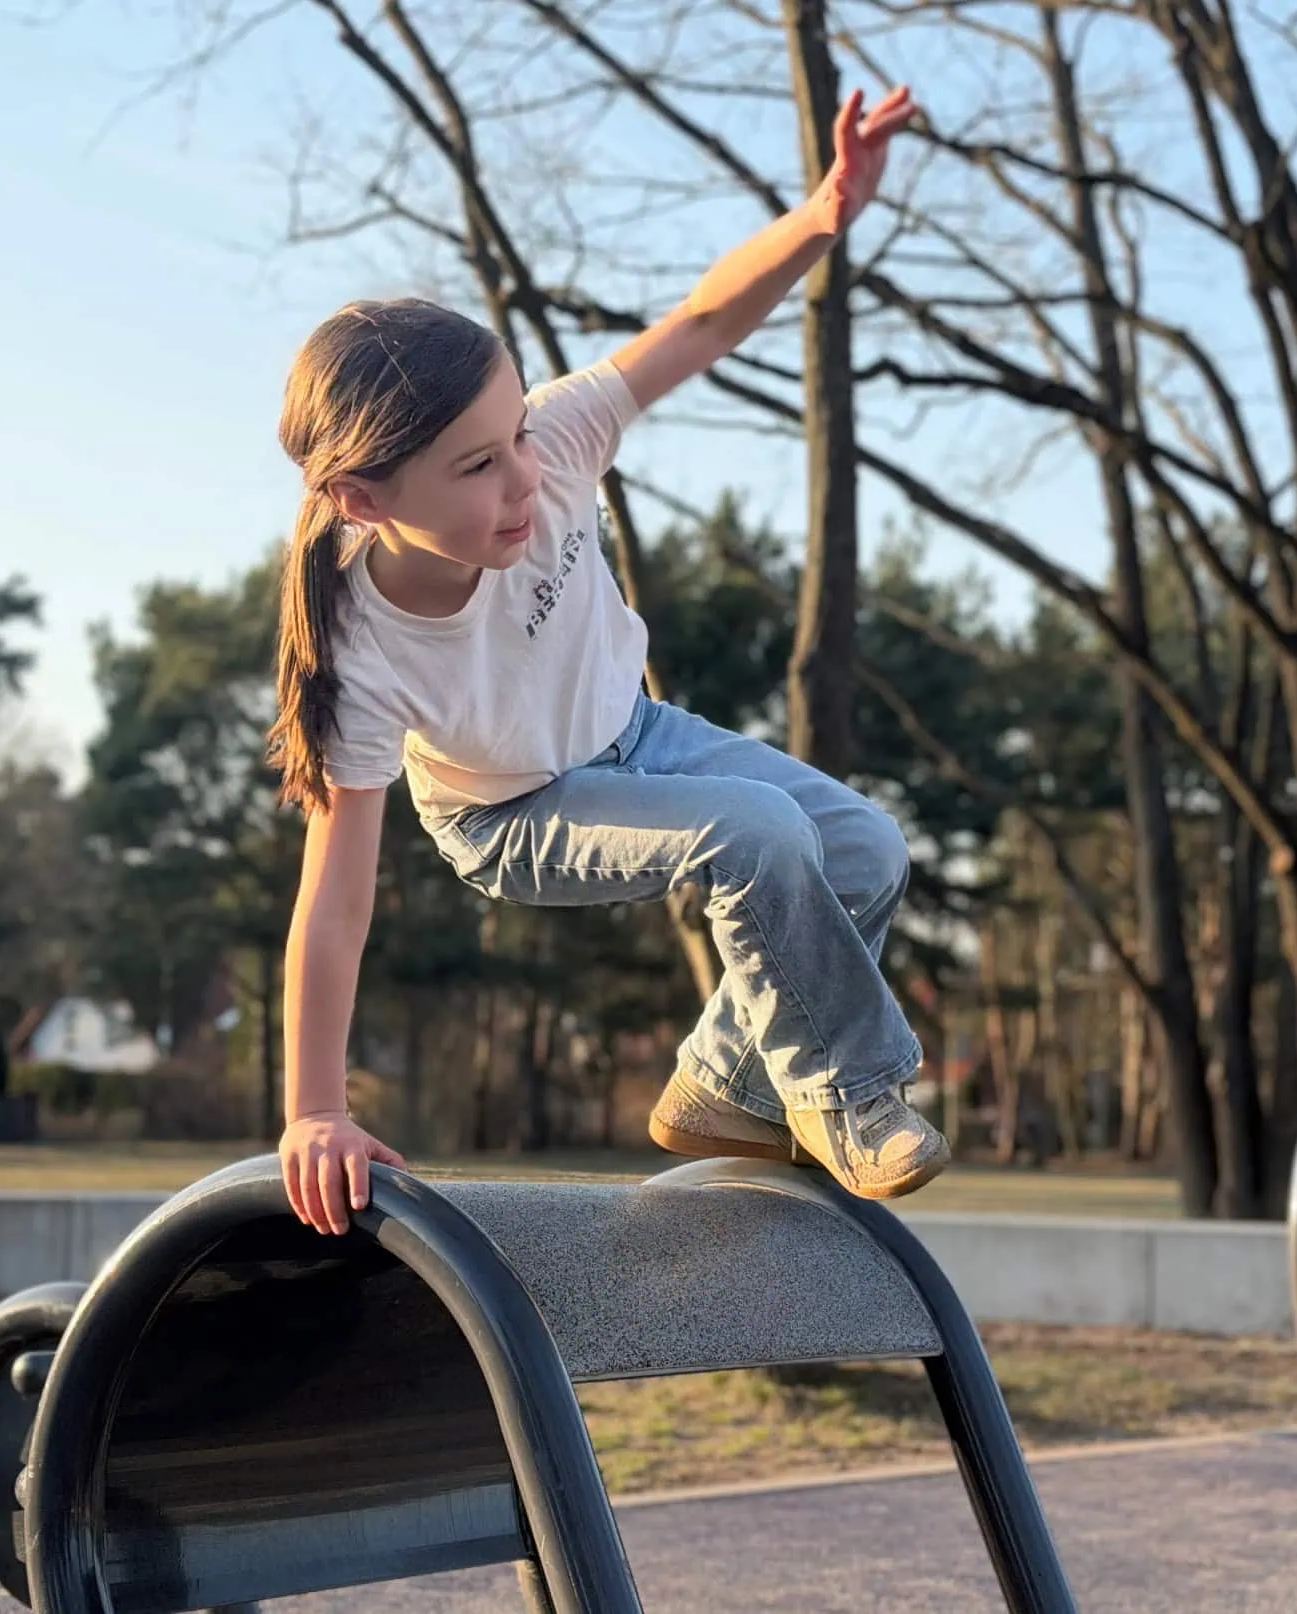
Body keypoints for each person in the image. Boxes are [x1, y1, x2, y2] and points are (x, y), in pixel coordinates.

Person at [271, 87, 947, 1236]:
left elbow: (700, 324)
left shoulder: (559, 436)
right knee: (758, 835)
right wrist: (312, 1110)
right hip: (512, 814)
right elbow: (335, 902)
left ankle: (727, 1089)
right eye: (478, 468)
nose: (525, 479)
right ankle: (847, 1094)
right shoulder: (363, 642)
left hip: (637, 734)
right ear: (366, 499)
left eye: (518, 436)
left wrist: (823, 213)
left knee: (864, 846)